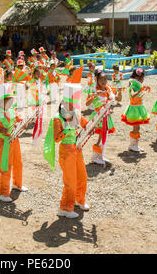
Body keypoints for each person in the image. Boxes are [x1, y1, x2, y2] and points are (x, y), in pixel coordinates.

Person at [43, 83, 89, 219]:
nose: (74, 106)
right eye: (72, 104)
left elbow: (86, 124)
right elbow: (57, 138)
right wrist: (67, 131)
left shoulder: (75, 113)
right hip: (66, 151)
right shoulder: (58, 117)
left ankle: (78, 199)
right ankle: (65, 207)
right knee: (70, 180)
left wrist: (98, 120)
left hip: (77, 149)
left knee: (82, 176)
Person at [0, 83, 26, 203]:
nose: (12, 102)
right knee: (6, 167)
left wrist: (23, 122)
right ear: (3, 100)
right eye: (9, 100)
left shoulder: (12, 110)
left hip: (15, 140)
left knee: (18, 163)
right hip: (4, 141)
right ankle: (2, 193)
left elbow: (19, 119)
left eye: (12, 100)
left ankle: (17, 184)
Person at [86, 72, 116, 166]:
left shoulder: (108, 89)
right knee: (102, 135)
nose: (103, 81)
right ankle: (95, 156)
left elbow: (114, 99)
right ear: (97, 80)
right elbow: (87, 103)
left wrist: (118, 93)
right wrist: (94, 95)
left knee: (104, 136)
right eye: (101, 79)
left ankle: (100, 155)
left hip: (106, 115)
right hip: (99, 115)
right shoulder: (95, 90)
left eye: (105, 79)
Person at [121, 68, 151, 152]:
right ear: (138, 78)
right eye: (143, 78)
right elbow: (133, 95)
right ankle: (132, 145)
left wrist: (143, 89)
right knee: (136, 127)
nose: (143, 79)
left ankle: (135, 145)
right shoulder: (133, 86)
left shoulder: (137, 85)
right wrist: (140, 90)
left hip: (138, 107)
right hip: (134, 109)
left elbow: (139, 95)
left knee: (137, 127)